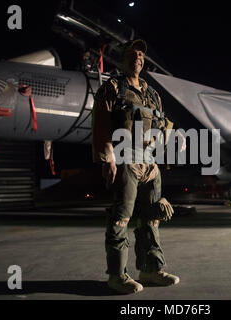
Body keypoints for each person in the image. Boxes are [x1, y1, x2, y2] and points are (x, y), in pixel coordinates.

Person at [91, 39, 180, 294]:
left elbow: (162, 125)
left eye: (141, 54)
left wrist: (176, 137)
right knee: (121, 219)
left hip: (150, 164)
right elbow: (101, 124)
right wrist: (107, 158)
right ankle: (117, 276)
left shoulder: (152, 94)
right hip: (125, 160)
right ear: (123, 58)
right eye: (133, 53)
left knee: (151, 218)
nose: (138, 57)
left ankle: (150, 269)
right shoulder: (113, 88)